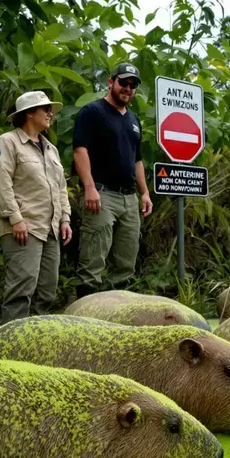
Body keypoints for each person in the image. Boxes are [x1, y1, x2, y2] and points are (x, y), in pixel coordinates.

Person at [0, 90, 73, 322]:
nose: (49, 113)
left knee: (47, 289)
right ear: (29, 114)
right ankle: (10, 344)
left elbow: (61, 187)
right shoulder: (7, 142)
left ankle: (33, 339)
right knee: (21, 289)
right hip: (24, 226)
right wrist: (15, 219)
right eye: (45, 109)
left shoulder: (50, 149)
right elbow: (0, 182)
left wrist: (65, 218)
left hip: (51, 229)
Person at [72, 62, 153, 298]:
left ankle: (117, 319)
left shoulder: (134, 121)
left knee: (126, 265)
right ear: (111, 82)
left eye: (133, 85)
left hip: (129, 199)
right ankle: (84, 320)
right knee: (92, 262)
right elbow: (80, 150)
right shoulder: (92, 112)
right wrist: (89, 187)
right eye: (124, 83)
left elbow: (137, 161)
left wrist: (145, 192)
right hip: (102, 194)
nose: (128, 89)